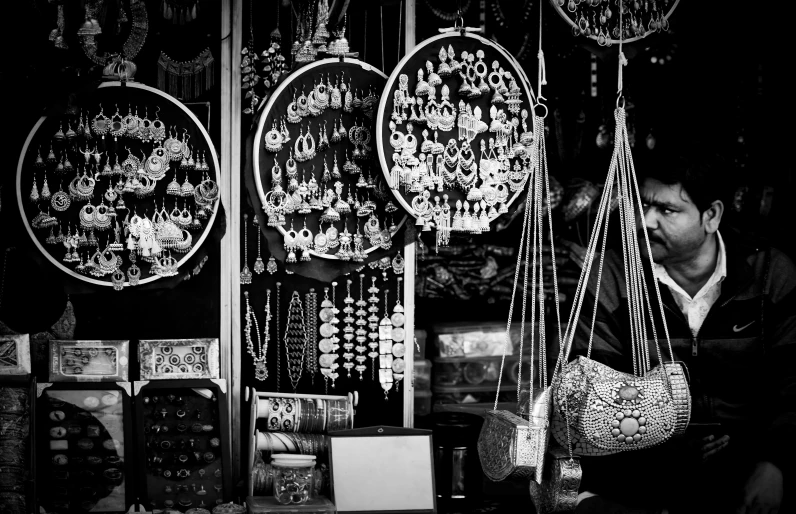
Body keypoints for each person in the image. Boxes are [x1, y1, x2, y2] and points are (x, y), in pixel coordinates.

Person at [561, 150, 795, 514]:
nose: (646, 221)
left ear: (711, 216)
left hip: (751, 467)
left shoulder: (769, 274)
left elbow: (793, 384)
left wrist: (775, 463)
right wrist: (660, 437)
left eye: (666, 210)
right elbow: (589, 392)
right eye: (643, 205)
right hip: (640, 473)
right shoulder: (612, 276)